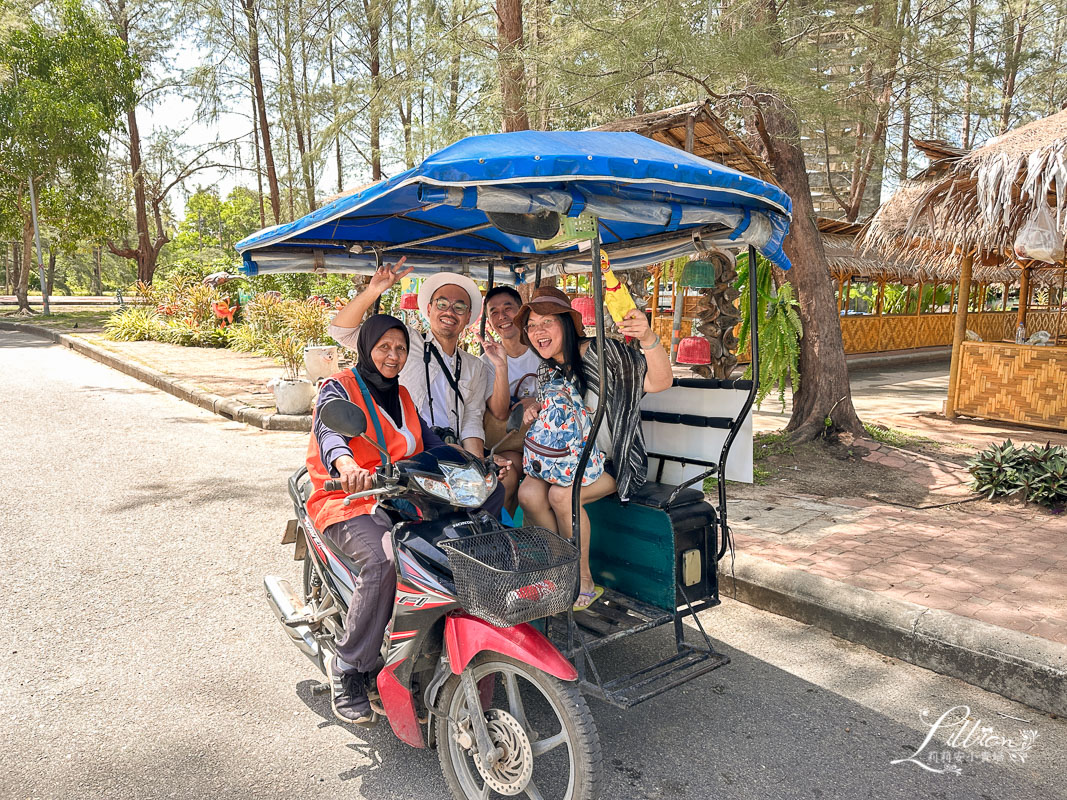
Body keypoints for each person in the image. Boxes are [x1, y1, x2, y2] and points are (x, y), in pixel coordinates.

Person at [305, 314, 508, 724]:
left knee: (478, 516)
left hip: (401, 497)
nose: (393, 356)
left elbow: (429, 442)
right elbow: (330, 434)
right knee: (383, 561)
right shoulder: (338, 387)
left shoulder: (402, 395)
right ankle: (349, 668)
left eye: (400, 348)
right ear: (366, 347)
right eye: (384, 347)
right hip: (349, 498)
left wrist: (477, 466)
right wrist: (346, 466)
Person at [515, 287, 673, 610]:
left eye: (546, 322)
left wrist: (648, 338)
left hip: (615, 461)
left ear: (567, 324)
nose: (537, 332)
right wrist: (534, 405)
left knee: (562, 495)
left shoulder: (604, 354)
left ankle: (583, 581)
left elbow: (660, 383)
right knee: (528, 494)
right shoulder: (547, 370)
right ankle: (560, 568)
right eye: (531, 326)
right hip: (568, 462)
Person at [328, 261, 493, 460]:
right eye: (442, 304)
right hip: (404, 454)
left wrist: (477, 464)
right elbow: (341, 332)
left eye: (459, 307)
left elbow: (471, 420)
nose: (449, 312)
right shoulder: (402, 340)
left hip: (450, 453)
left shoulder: (476, 367)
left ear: (468, 318)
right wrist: (373, 291)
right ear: (429, 309)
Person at [477, 285, 542, 514]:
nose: (501, 316)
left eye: (508, 308)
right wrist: (501, 366)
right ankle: (499, 534)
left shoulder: (542, 350)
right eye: (493, 312)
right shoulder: (486, 361)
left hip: (545, 443)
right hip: (510, 441)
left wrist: (535, 401)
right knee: (506, 472)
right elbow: (501, 412)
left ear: (521, 311)